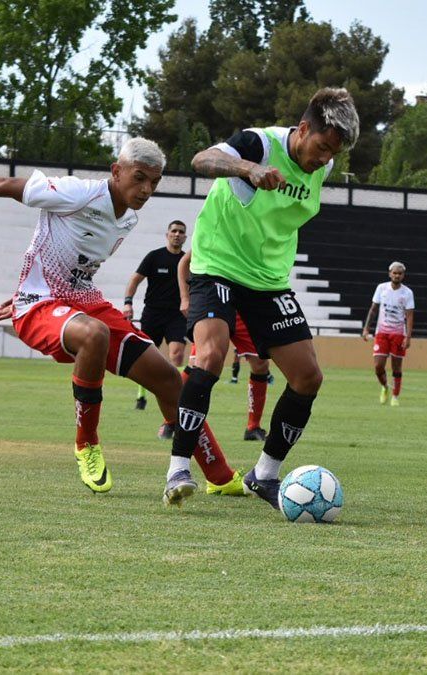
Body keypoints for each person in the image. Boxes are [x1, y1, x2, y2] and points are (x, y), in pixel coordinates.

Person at [0, 138, 245, 506]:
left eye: (154, 183)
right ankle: (86, 443)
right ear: (116, 171)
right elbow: (5, 185)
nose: (145, 190)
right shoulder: (77, 192)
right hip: (40, 305)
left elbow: (69, 262)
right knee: (93, 335)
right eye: (139, 178)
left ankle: (219, 476)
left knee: (169, 379)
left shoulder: (127, 218)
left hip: (83, 302)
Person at [175, 87, 360, 509]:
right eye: (321, 146)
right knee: (211, 356)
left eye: (333, 153)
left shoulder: (322, 168)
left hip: (269, 281)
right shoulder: (259, 143)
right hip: (217, 264)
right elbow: (201, 160)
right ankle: (178, 469)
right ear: (304, 128)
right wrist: (247, 170)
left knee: (308, 377)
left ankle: (265, 475)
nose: (323, 158)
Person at [178, 250, 272, 444]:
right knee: (200, 363)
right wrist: (185, 298)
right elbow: (184, 262)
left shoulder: (253, 233)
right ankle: (172, 418)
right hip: (214, 301)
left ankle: (253, 427)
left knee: (261, 364)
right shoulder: (218, 229)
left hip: (244, 306)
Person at [122, 220, 188, 415]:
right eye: (174, 231)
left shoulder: (187, 262)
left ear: (185, 237)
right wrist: (127, 302)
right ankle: (141, 395)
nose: (177, 234)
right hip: (153, 313)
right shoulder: (154, 257)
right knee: (146, 357)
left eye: (181, 232)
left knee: (176, 353)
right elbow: (135, 279)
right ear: (167, 234)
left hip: (177, 315)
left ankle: (178, 395)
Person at [361, 261, 415, 406]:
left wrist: (408, 337)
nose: (397, 275)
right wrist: (366, 329)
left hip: (398, 334)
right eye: (394, 273)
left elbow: (409, 316)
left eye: (400, 273)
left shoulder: (407, 293)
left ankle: (395, 397)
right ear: (389, 273)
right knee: (378, 366)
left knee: (396, 367)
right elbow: (373, 309)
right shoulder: (381, 288)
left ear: (403, 275)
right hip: (382, 333)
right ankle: (385, 387)